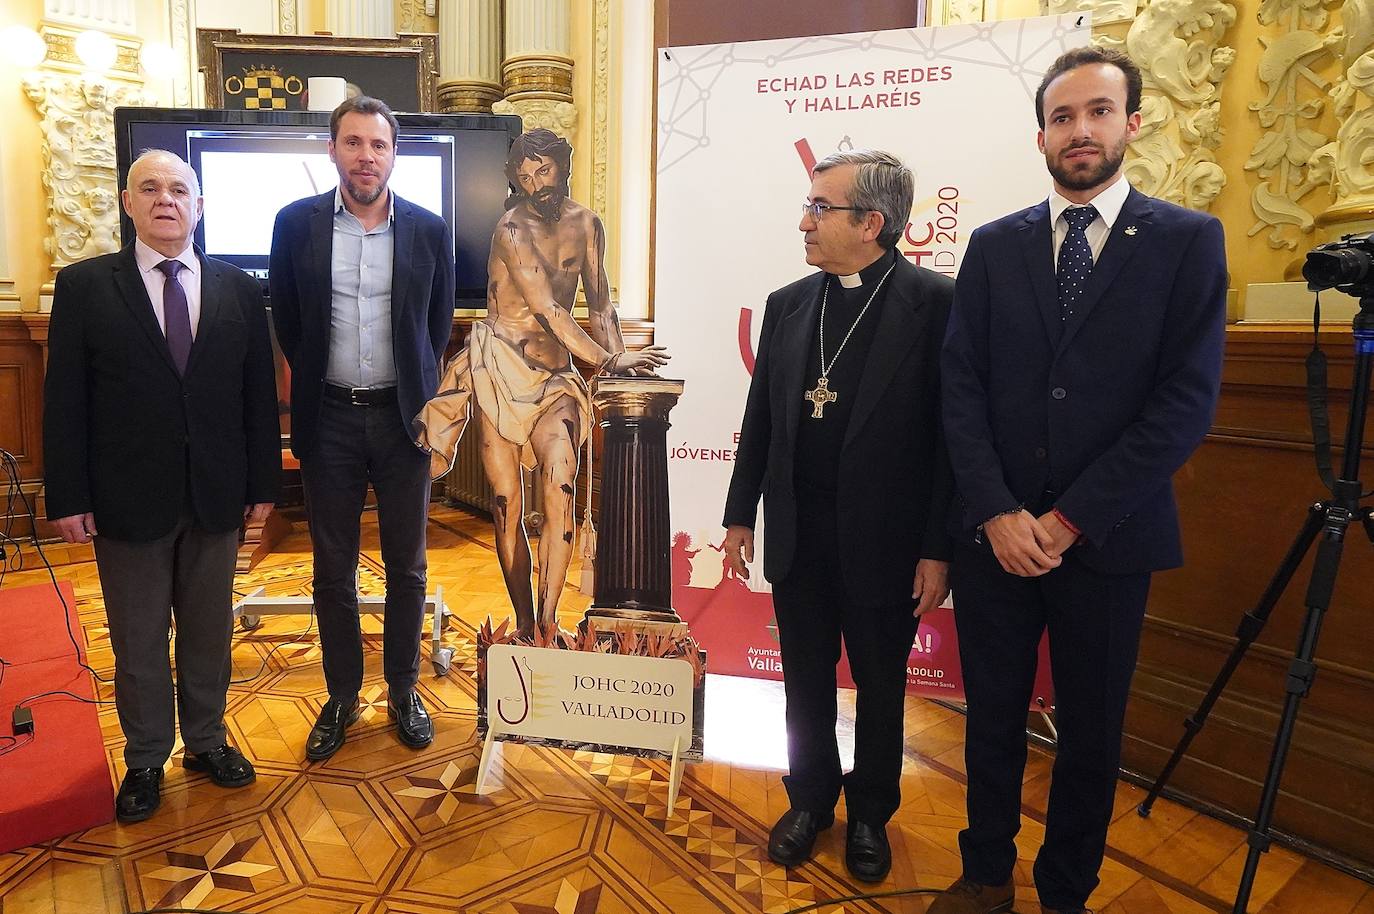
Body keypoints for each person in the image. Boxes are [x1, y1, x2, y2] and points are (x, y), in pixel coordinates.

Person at [933, 47, 1227, 914]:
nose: (1081, 131)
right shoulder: (994, 246)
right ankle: (985, 874)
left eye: (1099, 111)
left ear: (1132, 122)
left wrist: (1065, 522)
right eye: (1063, 117)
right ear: (1041, 136)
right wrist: (994, 510)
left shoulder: (1185, 241)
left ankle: (1066, 892)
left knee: (1092, 733)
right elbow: (961, 388)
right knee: (989, 720)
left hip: (1106, 538)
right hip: (995, 538)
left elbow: (1183, 405)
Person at [721, 149, 954, 883]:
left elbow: (954, 441)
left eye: (821, 208)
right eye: (809, 205)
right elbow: (761, 418)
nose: (805, 221)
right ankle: (810, 801)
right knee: (803, 681)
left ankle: (872, 816)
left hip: (888, 543)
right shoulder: (790, 303)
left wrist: (938, 548)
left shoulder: (936, 305)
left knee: (882, 688)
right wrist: (738, 516)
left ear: (873, 223)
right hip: (800, 533)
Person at [43, 149, 281, 822]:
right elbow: (64, 402)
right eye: (150, 188)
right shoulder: (86, 286)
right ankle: (147, 756)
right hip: (124, 497)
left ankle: (206, 741)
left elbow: (256, 399)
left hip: (217, 494)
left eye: (179, 189)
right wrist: (68, 495)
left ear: (199, 207)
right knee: (139, 639)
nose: (165, 199)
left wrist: (264, 481)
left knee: (207, 631)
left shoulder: (237, 288)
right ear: (128, 203)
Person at [415, 128, 667, 637]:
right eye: (525, 178)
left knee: (561, 489)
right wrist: (607, 361)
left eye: (544, 171)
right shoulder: (510, 229)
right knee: (507, 504)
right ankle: (526, 623)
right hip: (499, 369)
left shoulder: (587, 224)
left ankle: (549, 622)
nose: (537, 185)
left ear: (562, 165)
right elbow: (548, 309)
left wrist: (618, 358)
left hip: (556, 376)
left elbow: (599, 305)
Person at [269, 96, 455, 760]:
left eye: (378, 144)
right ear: (333, 151)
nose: (365, 156)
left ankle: (403, 689)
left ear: (393, 154)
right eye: (352, 143)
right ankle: (343, 693)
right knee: (331, 568)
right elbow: (290, 324)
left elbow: (434, 331)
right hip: (331, 420)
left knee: (407, 566)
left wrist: (414, 394)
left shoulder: (430, 231)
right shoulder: (295, 225)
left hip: (404, 420)